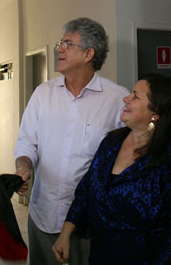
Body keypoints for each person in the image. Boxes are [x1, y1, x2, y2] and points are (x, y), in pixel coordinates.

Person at [14, 17, 129, 265]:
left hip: (88, 224)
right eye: (60, 42)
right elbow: (27, 141)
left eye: (68, 43)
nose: (59, 48)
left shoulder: (117, 99)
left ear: (89, 54)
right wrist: (23, 165)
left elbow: (130, 158)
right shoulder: (43, 94)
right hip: (42, 215)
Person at [52, 74, 171, 264]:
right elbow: (86, 190)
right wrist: (66, 233)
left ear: (155, 112)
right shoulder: (112, 141)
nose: (126, 98)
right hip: (100, 256)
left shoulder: (165, 159)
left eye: (135, 96)